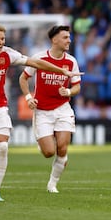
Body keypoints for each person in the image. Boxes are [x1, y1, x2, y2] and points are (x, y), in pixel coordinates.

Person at [0, 22, 82, 202]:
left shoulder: (8, 54)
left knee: (3, 147)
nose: (0, 43)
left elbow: (34, 62)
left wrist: (61, 71)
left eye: (2, 39)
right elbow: (27, 73)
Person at [19, 25, 81, 194]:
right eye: (65, 37)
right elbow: (23, 79)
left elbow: (77, 86)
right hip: (42, 111)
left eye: (69, 37)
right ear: (54, 40)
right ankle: (44, 143)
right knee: (48, 152)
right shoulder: (39, 58)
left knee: (62, 148)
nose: (69, 40)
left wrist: (68, 91)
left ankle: (52, 184)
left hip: (63, 108)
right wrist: (29, 98)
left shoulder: (71, 61)